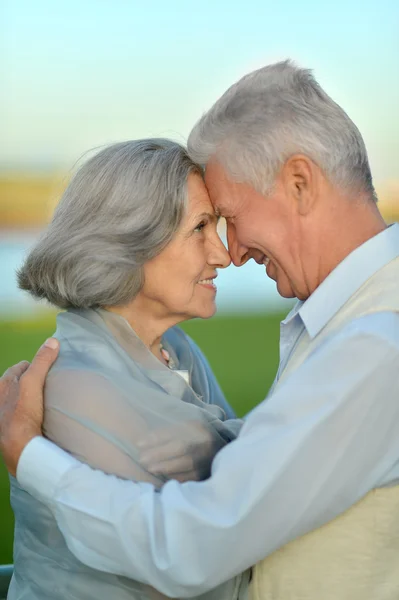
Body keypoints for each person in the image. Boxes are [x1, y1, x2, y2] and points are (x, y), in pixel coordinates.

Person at [2, 59, 399, 600]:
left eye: (230, 217)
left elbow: (187, 547)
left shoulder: (375, 344)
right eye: (206, 227)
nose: (230, 252)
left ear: (299, 184)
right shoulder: (348, 322)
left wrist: (28, 455)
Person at [1, 138, 249, 600]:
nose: (222, 254)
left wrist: (212, 450)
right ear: (131, 242)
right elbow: (185, 559)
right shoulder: (76, 383)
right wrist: (225, 450)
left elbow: (245, 481)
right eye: (200, 227)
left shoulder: (177, 347)